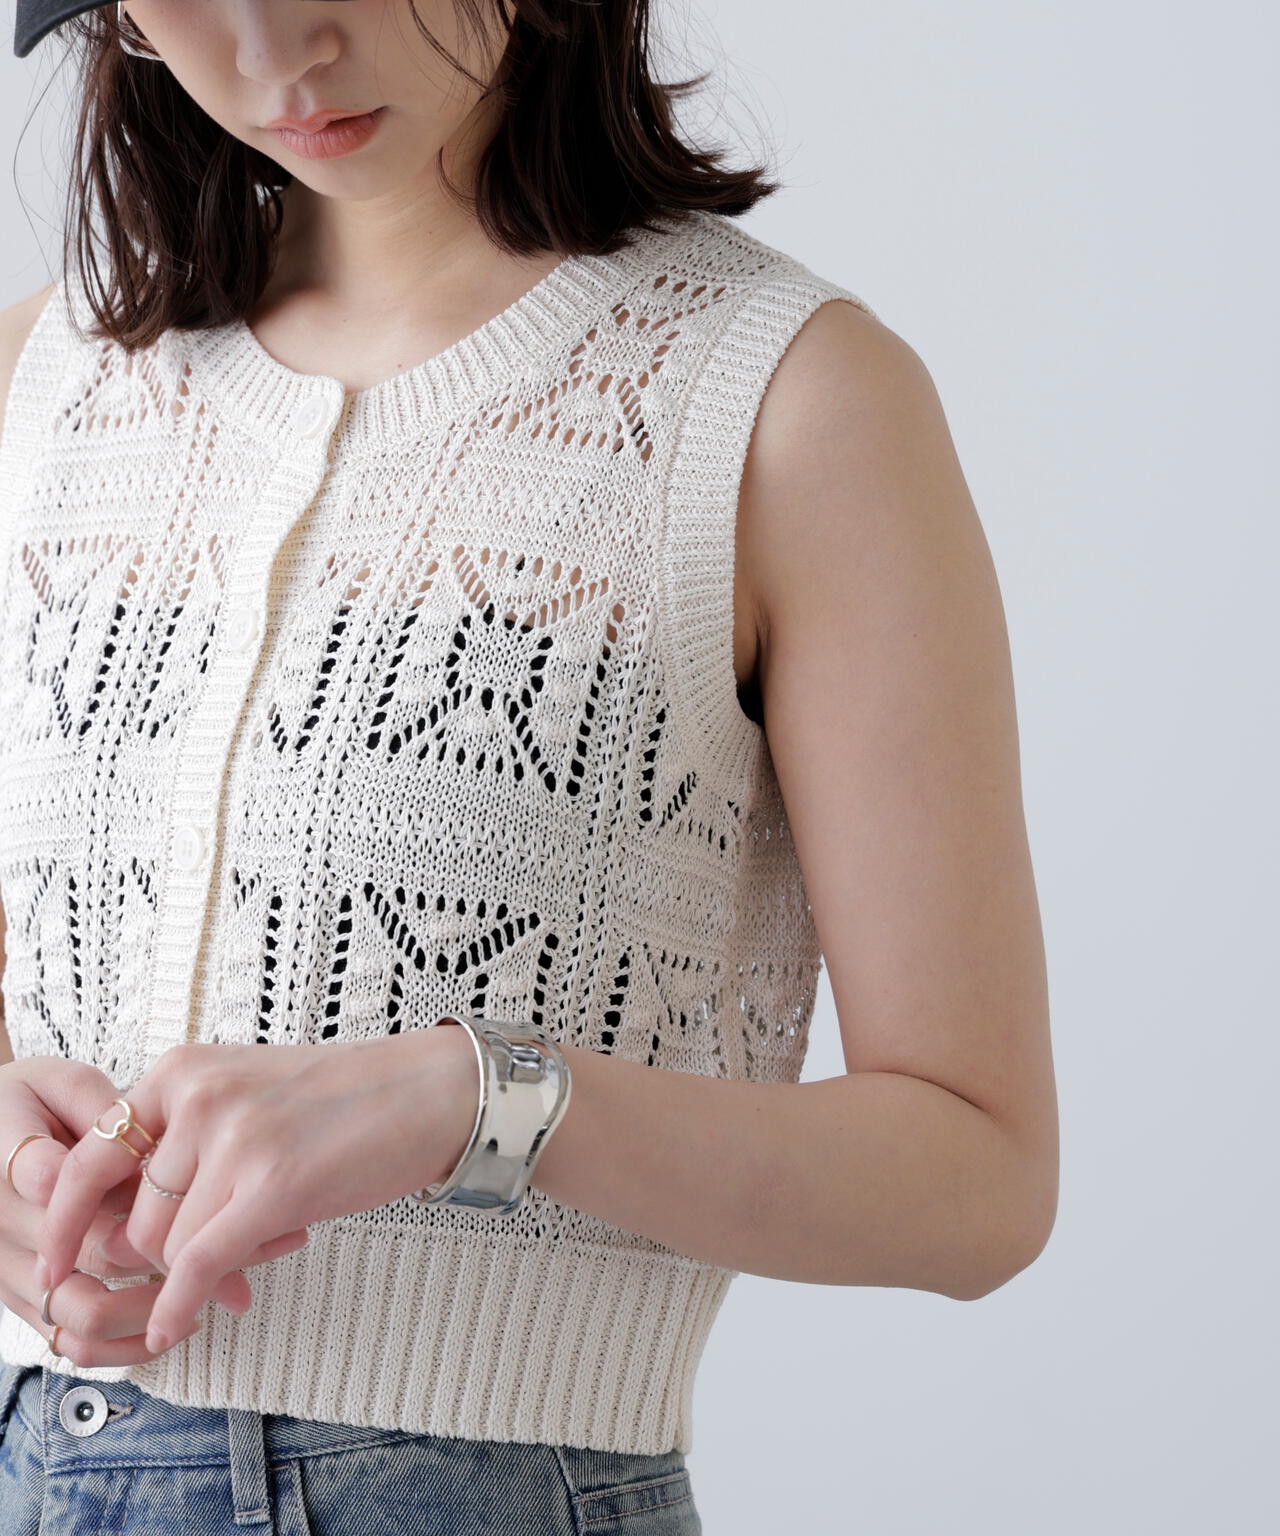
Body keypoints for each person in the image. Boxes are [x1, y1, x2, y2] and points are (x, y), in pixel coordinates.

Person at [0, 0, 1060, 1530]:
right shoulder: (42, 386)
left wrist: (479, 1101)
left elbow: (979, 1180)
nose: (277, 52)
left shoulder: (782, 404)